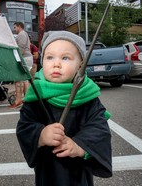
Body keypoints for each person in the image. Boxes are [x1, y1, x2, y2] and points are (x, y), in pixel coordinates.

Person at [16, 31, 112, 186]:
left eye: (65, 58)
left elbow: (99, 127)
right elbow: (24, 126)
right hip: (47, 173)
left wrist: (80, 146)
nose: (56, 63)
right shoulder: (37, 93)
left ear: (80, 65)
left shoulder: (87, 96)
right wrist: (40, 135)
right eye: (49, 57)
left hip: (78, 174)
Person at [9, 22, 33, 109]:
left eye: (15, 27)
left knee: (18, 79)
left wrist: (18, 60)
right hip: (27, 58)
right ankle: (26, 100)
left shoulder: (21, 34)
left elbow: (21, 48)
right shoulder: (24, 34)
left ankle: (18, 100)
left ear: (19, 26)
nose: (14, 29)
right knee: (24, 80)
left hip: (24, 58)